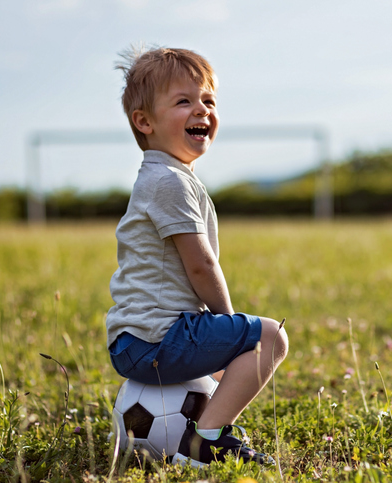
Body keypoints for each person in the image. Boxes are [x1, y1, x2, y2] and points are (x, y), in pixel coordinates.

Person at [105, 46, 289, 467]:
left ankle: (203, 430)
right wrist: (230, 326)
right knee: (270, 337)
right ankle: (204, 442)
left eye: (208, 100)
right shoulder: (168, 181)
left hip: (138, 339)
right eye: (184, 101)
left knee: (251, 341)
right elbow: (201, 265)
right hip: (156, 339)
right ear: (145, 121)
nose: (202, 110)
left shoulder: (165, 176)